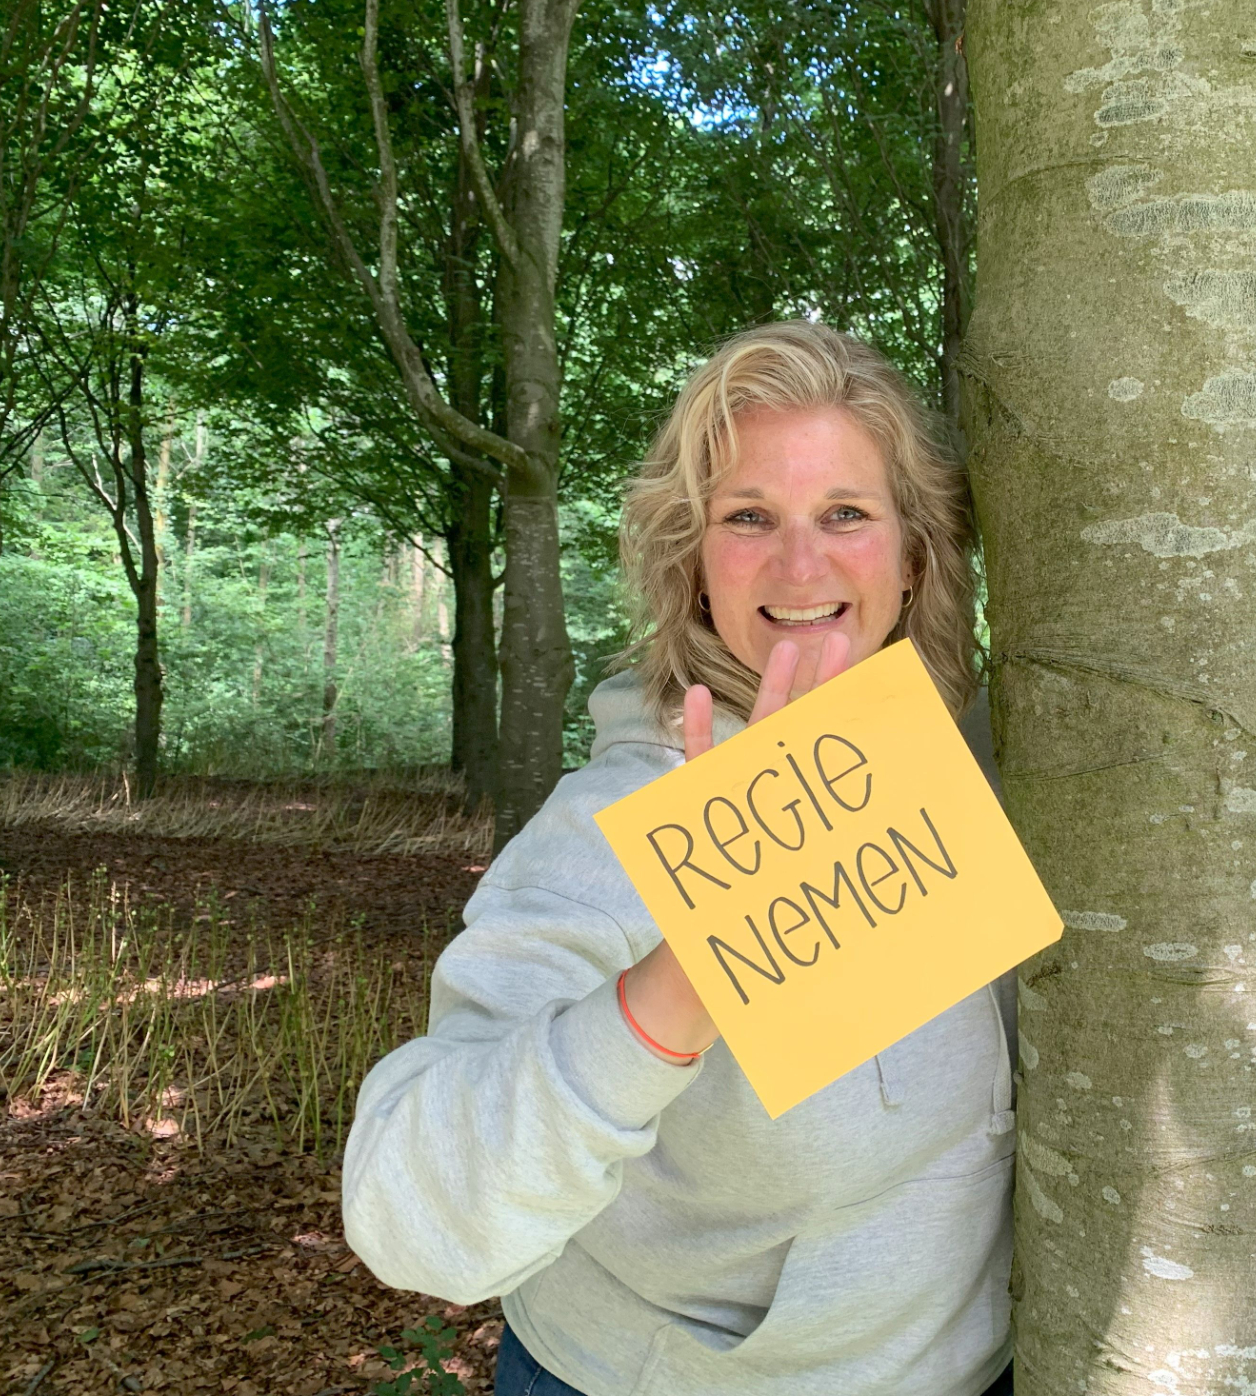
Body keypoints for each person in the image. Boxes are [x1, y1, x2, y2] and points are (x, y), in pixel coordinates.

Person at [341, 322, 1018, 1396]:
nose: (802, 564)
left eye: (846, 513)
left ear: (915, 554)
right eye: (749, 517)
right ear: (694, 564)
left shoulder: (977, 749)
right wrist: (686, 983)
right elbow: (409, 1216)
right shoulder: (626, 820)